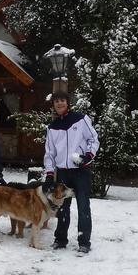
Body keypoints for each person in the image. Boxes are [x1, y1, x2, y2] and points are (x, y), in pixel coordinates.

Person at [43, 90, 99, 253]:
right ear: (53, 105)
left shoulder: (81, 119)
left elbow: (93, 139)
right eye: (56, 101)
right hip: (63, 173)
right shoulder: (52, 128)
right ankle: (60, 239)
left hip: (81, 171)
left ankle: (84, 241)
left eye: (62, 100)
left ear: (67, 103)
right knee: (62, 207)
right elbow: (49, 153)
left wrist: (88, 156)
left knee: (83, 207)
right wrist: (49, 174)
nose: (59, 103)